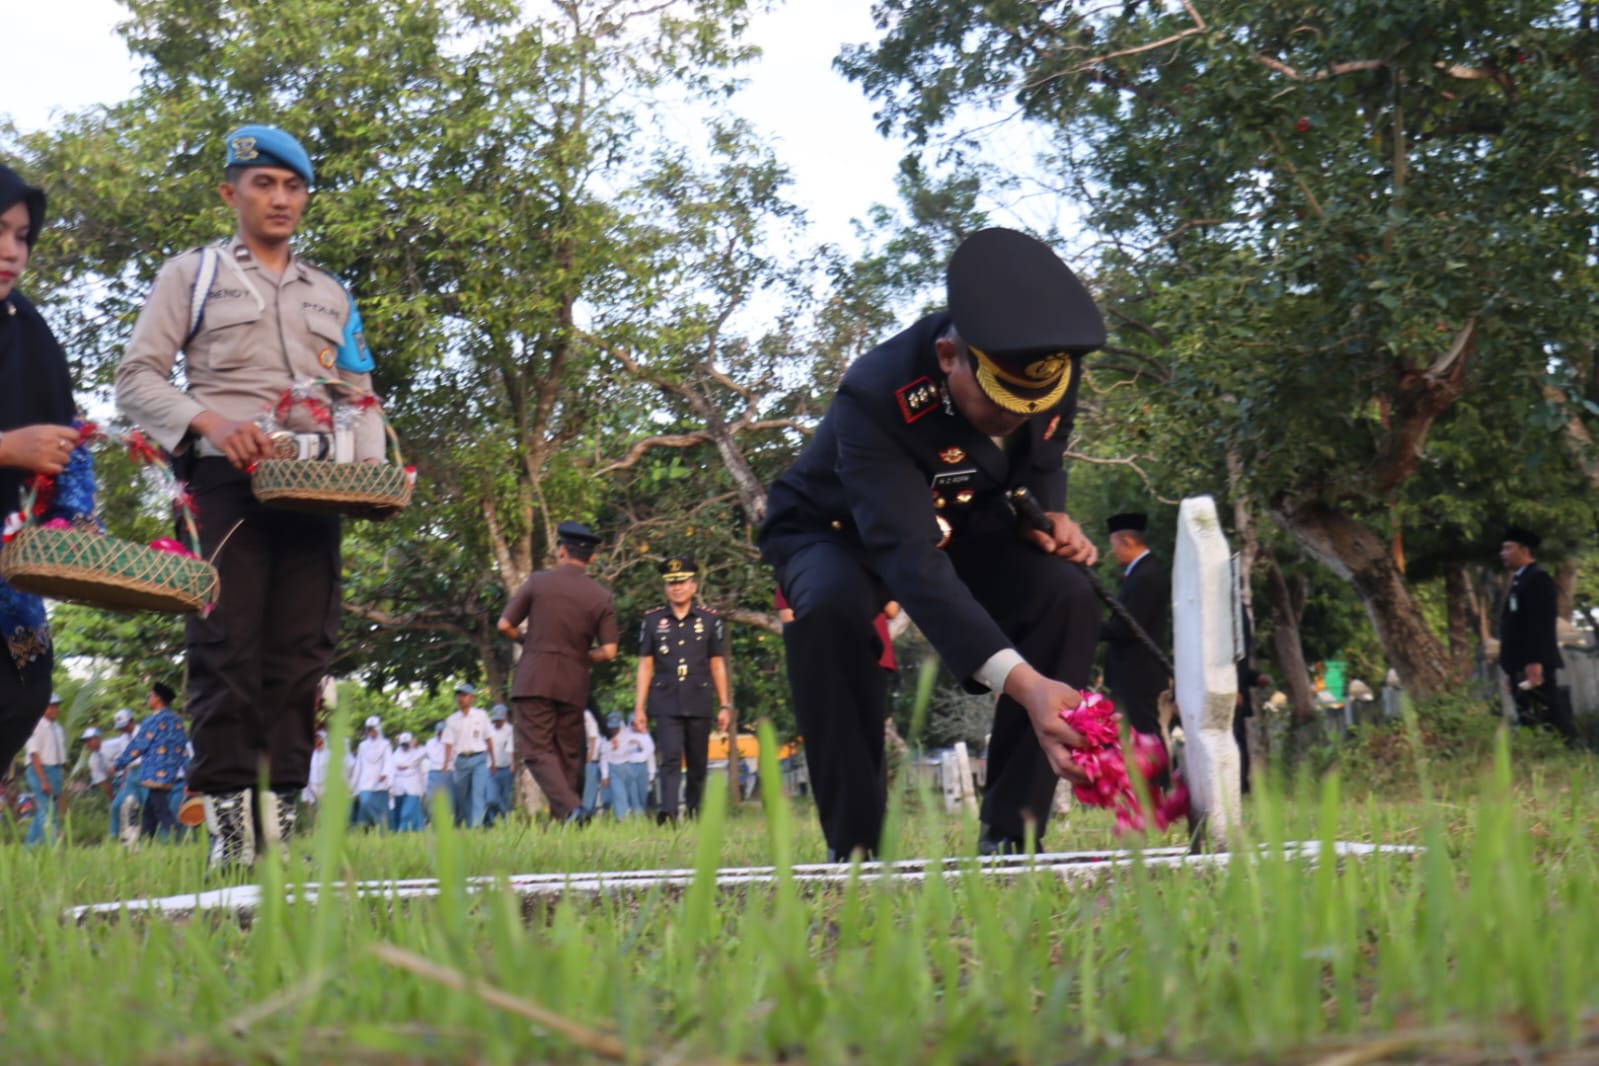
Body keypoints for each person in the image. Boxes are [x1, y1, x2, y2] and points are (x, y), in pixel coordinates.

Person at [758, 227, 1106, 860]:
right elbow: (911, 561)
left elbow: (1041, 456)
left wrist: (1045, 514)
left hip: (968, 518)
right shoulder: (877, 395)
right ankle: (858, 848)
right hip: (838, 531)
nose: (1019, 415)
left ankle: (1013, 834)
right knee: (833, 608)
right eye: (1002, 403)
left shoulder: (1048, 361)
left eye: (1033, 401)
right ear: (949, 356)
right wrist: (1025, 686)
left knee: (1066, 593)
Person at [114, 126, 388, 868]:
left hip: (316, 487)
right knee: (225, 649)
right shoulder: (192, 275)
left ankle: (280, 830)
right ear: (229, 191)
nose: (280, 198)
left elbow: (360, 397)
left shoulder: (332, 293)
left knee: (303, 656)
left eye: (293, 186)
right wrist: (210, 422)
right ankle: (233, 840)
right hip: (223, 482)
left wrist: (379, 470)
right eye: (263, 183)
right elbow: (136, 379)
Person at [0, 167, 90, 773]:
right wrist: (8, 447)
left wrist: (75, 519)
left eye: (23, 235)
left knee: (23, 688)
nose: (11, 250)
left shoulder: (28, 329)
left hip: (8, 554)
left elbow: (66, 435)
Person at [497, 521, 620, 823]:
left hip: (534, 678)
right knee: (568, 754)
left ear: (561, 551)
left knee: (537, 751)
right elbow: (609, 651)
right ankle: (565, 820)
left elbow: (504, 625)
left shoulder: (538, 582)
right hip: (573, 682)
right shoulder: (601, 597)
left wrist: (528, 641)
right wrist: (581, 657)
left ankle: (573, 810)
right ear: (591, 558)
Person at [633, 558, 732, 823]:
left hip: (698, 697)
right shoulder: (653, 621)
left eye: (682, 582)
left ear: (693, 585)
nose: (677, 588)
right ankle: (667, 812)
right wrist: (638, 707)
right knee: (671, 756)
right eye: (671, 583)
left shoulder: (709, 621)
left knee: (698, 761)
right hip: (665, 698)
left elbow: (717, 664)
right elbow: (645, 665)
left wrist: (725, 704)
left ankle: (695, 811)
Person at [1498, 526, 1576, 744]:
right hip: (1519, 663)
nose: (1502, 553)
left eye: (1507, 548)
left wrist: (1535, 662)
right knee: (1528, 713)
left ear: (1524, 550)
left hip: (1533, 662)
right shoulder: (1519, 580)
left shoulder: (1537, 579)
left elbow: (1539, 626)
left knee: (1548, 711)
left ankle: (1568, 751)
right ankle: (1540, 752)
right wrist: (1508, 668)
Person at [1099, 513, 1171, 743]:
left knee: (1146, 737)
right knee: (1134, 738)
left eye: (1114, 546)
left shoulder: (1146, 577)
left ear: (1127, 541)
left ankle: (1158, 780)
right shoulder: (1141, 574)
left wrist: (1088, 625)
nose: (1113, 552)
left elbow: (1128, 627)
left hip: (1138, 673)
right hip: (1132, 674)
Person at [111, 686, 189, 841]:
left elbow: (139, 745)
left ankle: (178, 833)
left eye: (150, 695)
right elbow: (183, 750)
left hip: (154, 771)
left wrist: (119, 763)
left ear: (158, 698)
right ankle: (147, 839)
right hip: (171, 772)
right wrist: (189, 772)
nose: (149, 698)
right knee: (149, 808)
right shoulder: (177, 721)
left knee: (160, 809)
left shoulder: (152, 720)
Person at [442, 683, 493, 827]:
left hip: (479, 758)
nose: (461, 699)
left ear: (472, 698)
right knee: (462, 795)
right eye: (459, 696)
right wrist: (446, 763)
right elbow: (448, 743)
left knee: (478, 793)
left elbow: (488, 737)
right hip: (461, 760)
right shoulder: (452, 720)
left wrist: (493, 760)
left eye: (464, 695)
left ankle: (476, 825)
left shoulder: (481, 715)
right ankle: (469, 821)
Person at [23, 693, 66, 846]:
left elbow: (59, 757)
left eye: (56, 706)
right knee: (48, 812)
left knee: (45, 810)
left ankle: (30, 847)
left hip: (54, 769)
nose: (55, 709)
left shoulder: (57, 728)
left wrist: (58, 776)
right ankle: (54, 847)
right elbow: (34, 755)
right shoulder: (35, 726)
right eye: (51, 706)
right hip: (39, 770)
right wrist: (43, 781)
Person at [599, 713, 655, 820]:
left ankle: (639, 818)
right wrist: (605, 775)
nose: (614, 730)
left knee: (635, 796)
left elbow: (647, 751)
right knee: (619, 795)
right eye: (612, 728)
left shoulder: (627, 735)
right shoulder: (606, 739)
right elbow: (604, 757)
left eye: (616, 727)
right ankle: (622, 819)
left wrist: (637, 743)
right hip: (614, 768)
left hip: (628, 767)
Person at [104, 707, 144, 843]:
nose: (124, 729)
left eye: (125, 726)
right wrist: (123, 782)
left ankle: (151, 836)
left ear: (132, 722)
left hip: (145, 770)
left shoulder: (143, 732)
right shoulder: (123, 739)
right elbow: (126, 760)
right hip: (131, 774)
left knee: (149, 806)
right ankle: (116, 836)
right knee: (120, 805)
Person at [351, 716, 392, 829]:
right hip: (365, 782)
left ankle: (382, 829)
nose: (371, 732)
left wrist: (385, 773)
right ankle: (370, 826)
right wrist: (353, 783)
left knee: (381, 808)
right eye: (369, 729)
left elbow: (388, 760)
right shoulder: (362, 746)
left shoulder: (385, 744)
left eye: (373, 729)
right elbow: (358, 765)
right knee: (365, 803)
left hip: (380, 782)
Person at [390, 731, 426, 832]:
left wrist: (417, 744)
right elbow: (392, 770)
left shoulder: (417, 753)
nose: (405, 747)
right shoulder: (395, 755)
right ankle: (411, 829)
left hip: (412, 785)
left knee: (407, 811)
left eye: (407, 744)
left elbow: (425, 752)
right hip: (399, 786)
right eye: (403, 745)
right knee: (399, 811)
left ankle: (403, 829)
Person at [484, 704, 514, 825]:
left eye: (501, 719)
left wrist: (512, 764)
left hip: (506, 769)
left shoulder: (510, 730)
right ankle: (491, 821)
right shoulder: (488, 731)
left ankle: (504, 822)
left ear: (506, 717)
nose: (498, 722)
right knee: (491, 799)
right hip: (491, 769)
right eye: (496, 719)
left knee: (506, 799)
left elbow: (510, 748)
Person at [422, 720, 452, 822]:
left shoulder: (451, 743)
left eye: (443, 732)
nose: (441, 734)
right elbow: (423, 755)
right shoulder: (430, 743)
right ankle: (432, 819)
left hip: (447, 772)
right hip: (434, 771)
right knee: (431, 798)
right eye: (439, 732)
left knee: (447, 799)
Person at [581, 705, 603, 815]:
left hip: (590, 758)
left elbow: (593, 736)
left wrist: (590, 753)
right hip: (580, 757)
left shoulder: (587, 714)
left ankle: (587, 814)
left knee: (589, 790)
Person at [302, 729, 329, 818]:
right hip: (311, 787)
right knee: (313, 811)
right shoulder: (311, 754)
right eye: (316, 739)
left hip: (325, 788)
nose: (317, 741)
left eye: (319, 739)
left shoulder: (329, 755)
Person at [81, 726, 113, 801]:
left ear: (98, 738)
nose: (88, 744)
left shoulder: (113, 744)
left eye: (90, 740)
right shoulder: (93, 760)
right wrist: (112, 799)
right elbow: (103, 781)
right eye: (86, 741)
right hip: (115, 781)